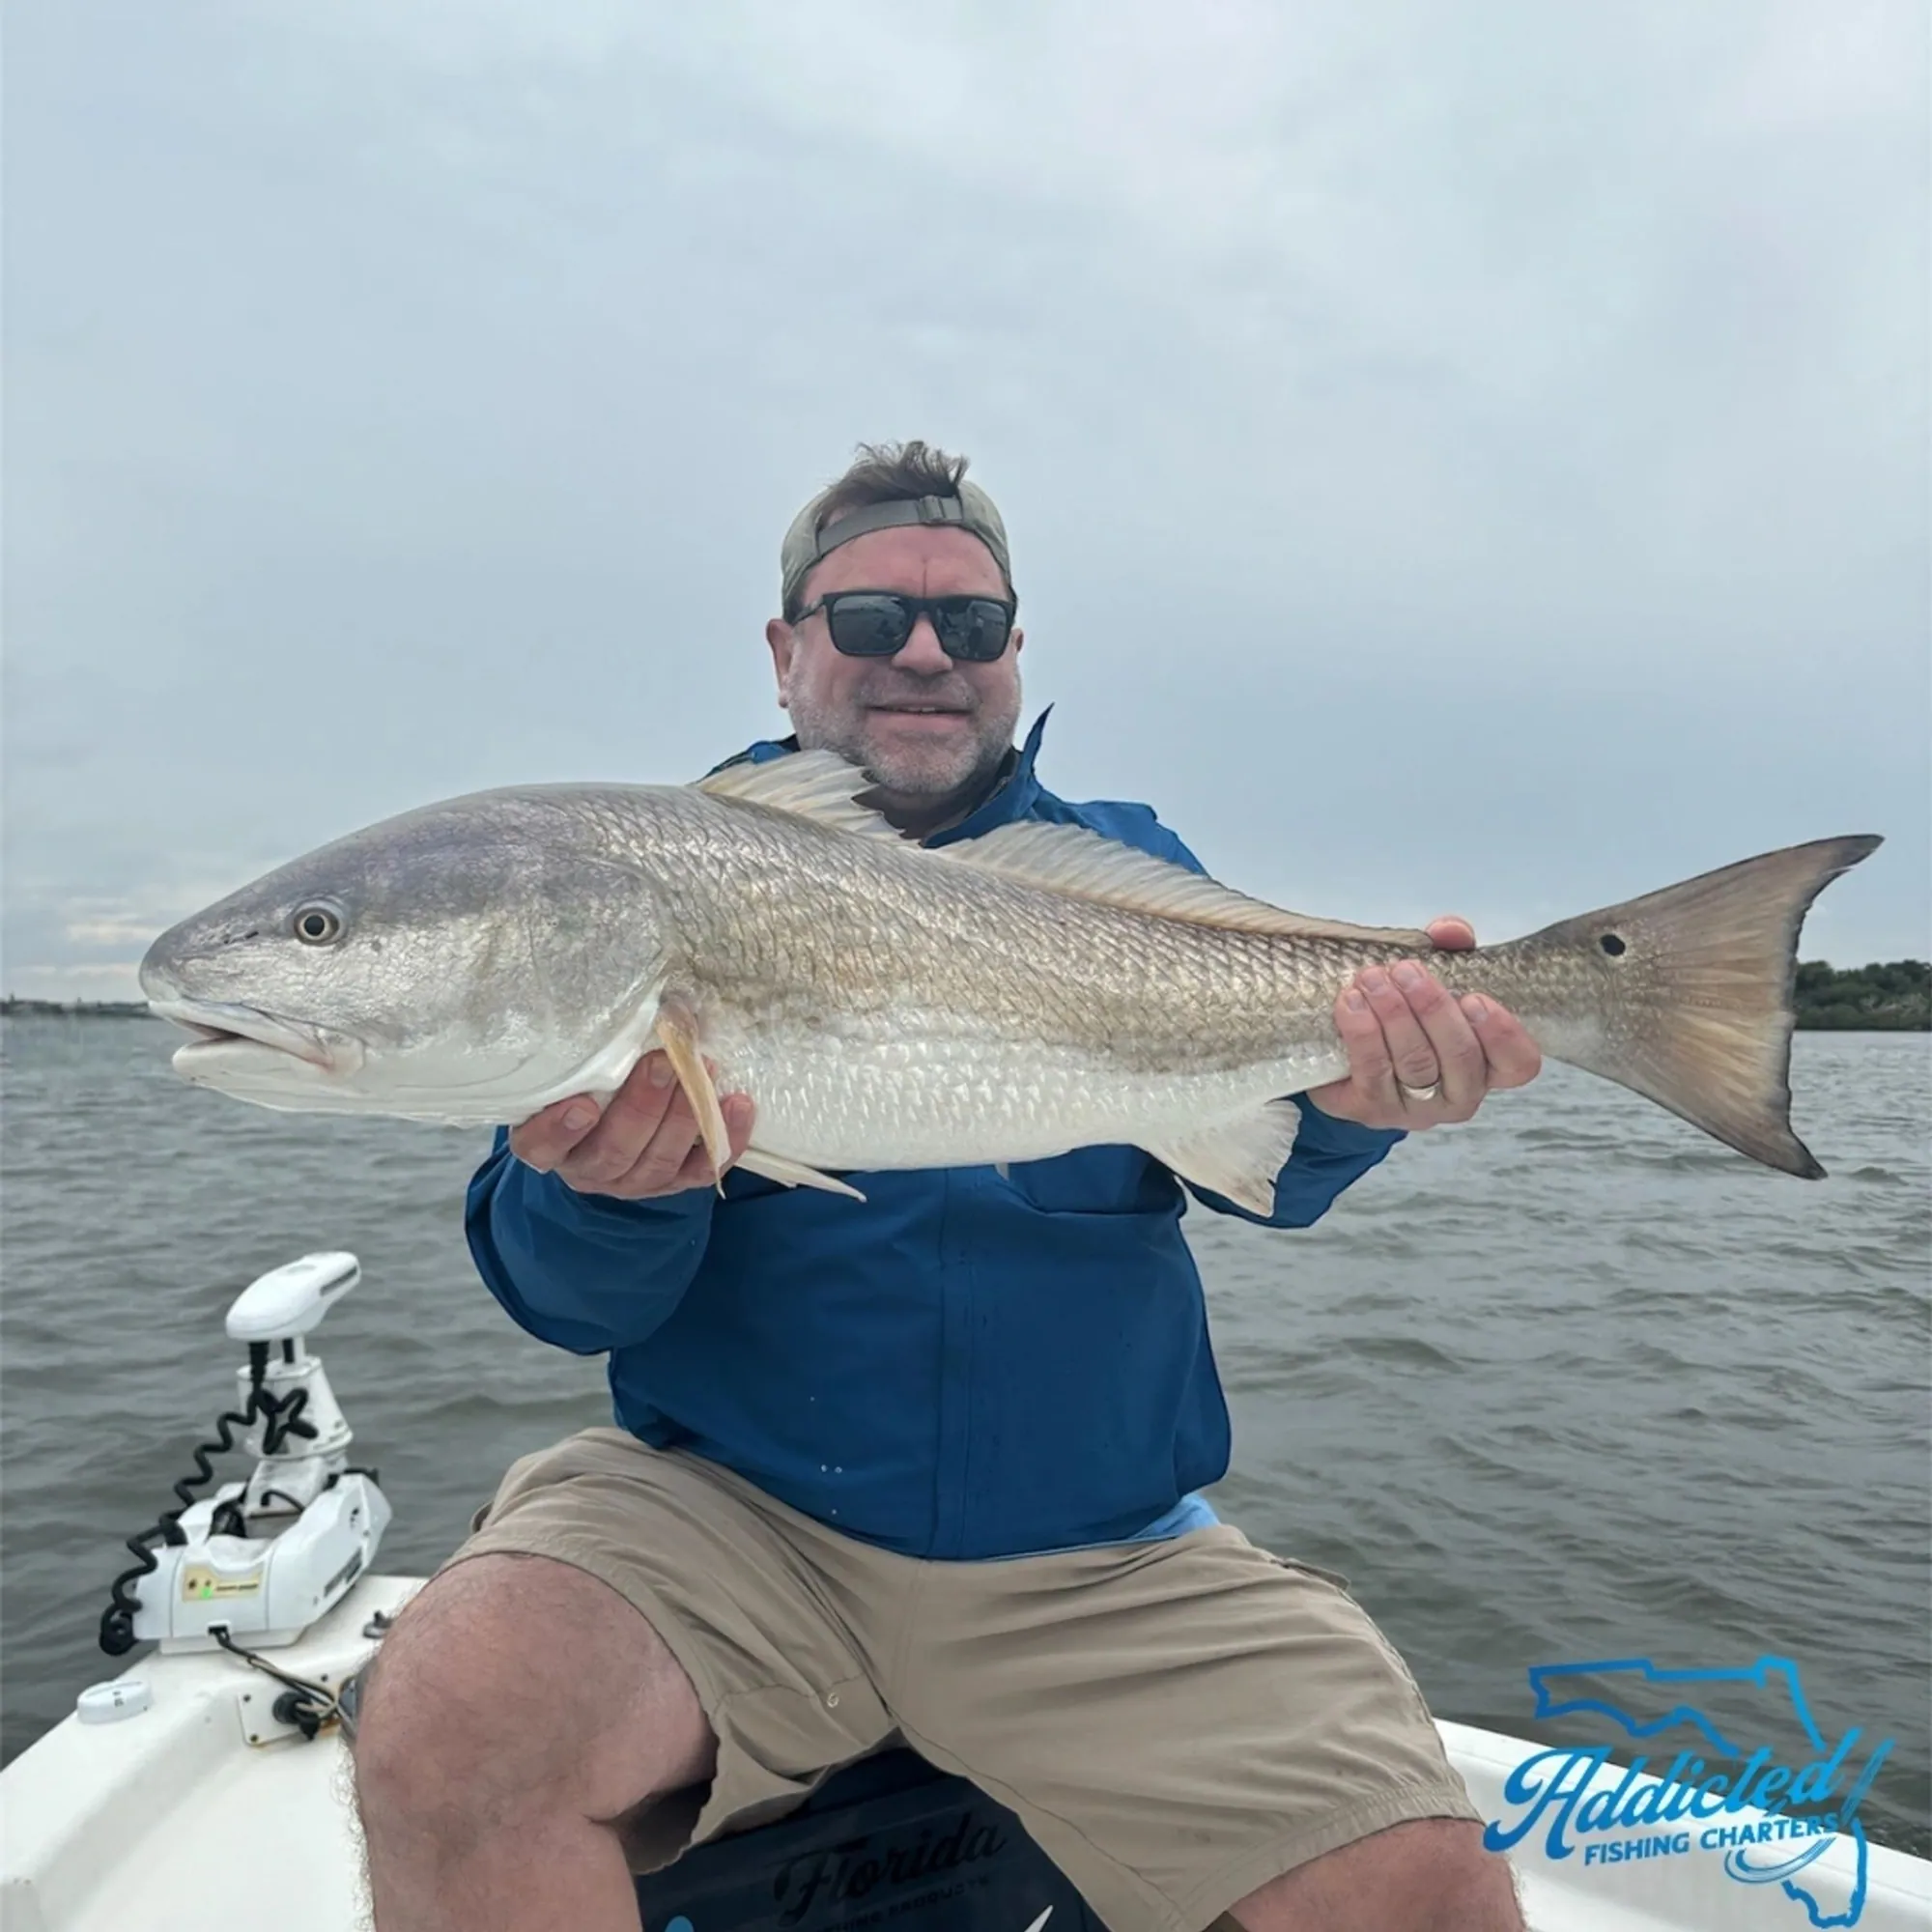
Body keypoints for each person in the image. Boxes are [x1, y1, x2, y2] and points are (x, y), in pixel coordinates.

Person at [352, 442, 1543, 1932]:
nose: (924, 654)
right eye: (869, 619)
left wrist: (1368, 1103)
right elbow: (563, 1296)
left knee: (1427, 1886)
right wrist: (616, 1192)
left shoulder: (1128, 868)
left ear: (1013, 650)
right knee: (449, 1727)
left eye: (968, 623)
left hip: (1101, 1563)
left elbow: (1270, 1166)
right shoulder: (641, 874)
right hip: (733, 1526)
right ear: (785, 652)